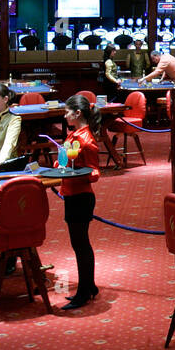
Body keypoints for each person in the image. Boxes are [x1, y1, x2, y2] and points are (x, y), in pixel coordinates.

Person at [58, 95, 102, 310]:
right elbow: (61, 162)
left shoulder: (86, 139)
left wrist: (77, 170)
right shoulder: (73, 135)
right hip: (71, 194)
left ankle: (84, 291)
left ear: (78, 113)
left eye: (67, 112)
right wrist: (64, 159)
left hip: (81, 196)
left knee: (81, 245)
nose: (64, 115)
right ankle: (89, 286)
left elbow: (95, 172)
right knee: (79, 244)